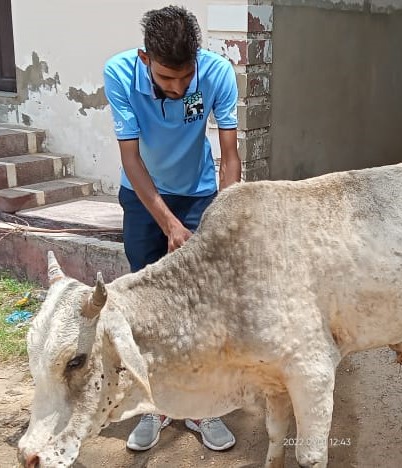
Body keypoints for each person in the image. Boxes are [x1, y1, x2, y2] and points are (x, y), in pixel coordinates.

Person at [103, 5, 241, 453]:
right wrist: (168, 224)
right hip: (144, 197)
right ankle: (156, 404)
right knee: (147, 302)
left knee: (203, 301)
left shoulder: (218, 74)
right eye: (166, 79)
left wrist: (224, 216)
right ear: (146, 60)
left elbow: (230, 155)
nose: (179, 88)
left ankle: (201, 404)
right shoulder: (120, 73)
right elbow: (130, 158)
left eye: (186, 77)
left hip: (199, 193)